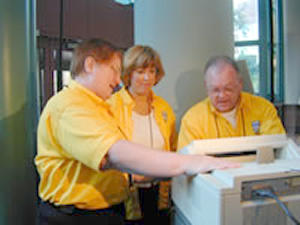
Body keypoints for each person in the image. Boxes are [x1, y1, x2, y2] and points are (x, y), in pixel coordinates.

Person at [35, 39, 239, 225]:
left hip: (110, 209)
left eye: (151, 71)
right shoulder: (70, 106)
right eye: (114, 70)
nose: (117, 80)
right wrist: (189, 163)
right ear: (90, 65)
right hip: (77, 216)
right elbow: (113, 154)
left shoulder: (97, 106)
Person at [107, 45, 176, 225]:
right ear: (128, 74)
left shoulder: (164, 108)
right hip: (125, 198)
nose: (147, 78)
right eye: (140, 71)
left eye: (152, 71)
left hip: (159, 194)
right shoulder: (111, 107)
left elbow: (173, 148)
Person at [177, 55, 286, 149]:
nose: (222, 96)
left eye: (228, 89)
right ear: (206, 87)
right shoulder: (192, 119)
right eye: (215, 90)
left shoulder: (263, 108)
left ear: (240, 84)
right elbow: (187, 163)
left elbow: (278, 148)